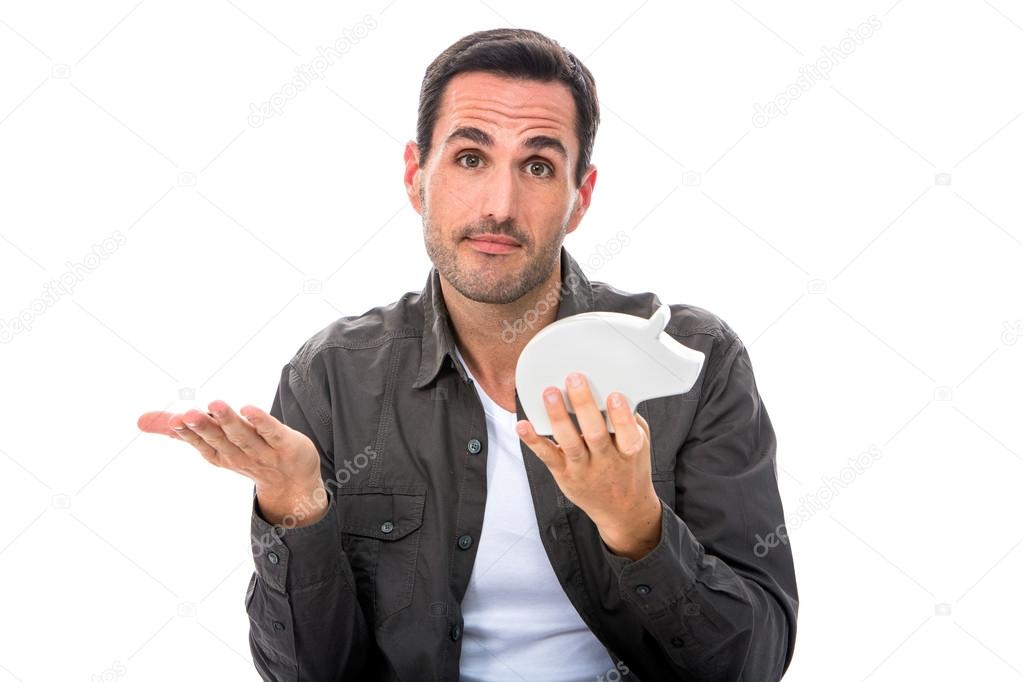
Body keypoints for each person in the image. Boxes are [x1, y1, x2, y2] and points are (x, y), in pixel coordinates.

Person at [138, 27, 798, 681]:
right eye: (470, 159)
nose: (499, 205)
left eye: (538, 166)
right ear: (415, 177)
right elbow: (312, 674)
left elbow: (752, 664)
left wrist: (636, 524)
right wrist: (294, 504)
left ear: (580, 198)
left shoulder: (693, 362)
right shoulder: (333, 376)